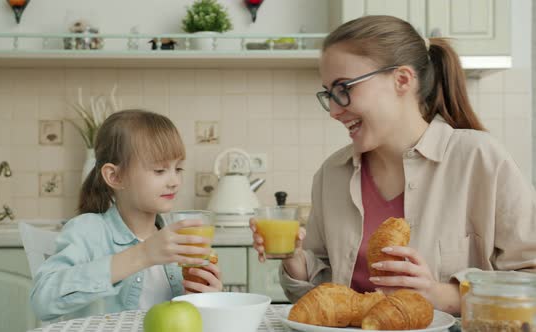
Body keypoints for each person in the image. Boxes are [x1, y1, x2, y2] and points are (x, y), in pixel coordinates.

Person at [251, 15, 536, 315]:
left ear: (402, 79)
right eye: (328, 94)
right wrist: (295, 260)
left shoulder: (480, 159)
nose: (334, 110)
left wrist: (440, 295)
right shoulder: (331, 174)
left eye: (344, 88)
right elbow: (326, 293)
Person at [31, 110, 223, 321]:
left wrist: (207, 300)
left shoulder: (178, 241)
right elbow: (43, 301)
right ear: (115, 176)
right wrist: (143, 254)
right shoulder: (87, 231)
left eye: (178, 169)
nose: (174, 181)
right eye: (159, 170)